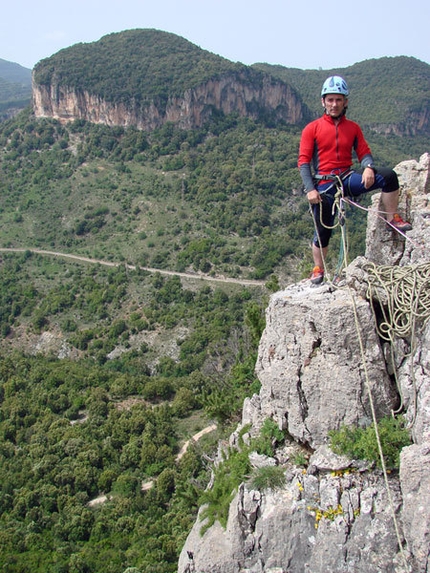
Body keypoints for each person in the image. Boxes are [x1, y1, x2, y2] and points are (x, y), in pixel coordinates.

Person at [298, 75, 412, 285]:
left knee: (388, 176)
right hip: (324, 185)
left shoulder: (353, 128)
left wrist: (368, 167)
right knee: (323, 230)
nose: (334, 104)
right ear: (323, 101)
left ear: (345, 102)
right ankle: (318, 269)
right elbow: (304, 162)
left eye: (338, 100)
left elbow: (364, 152)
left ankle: (390, 218)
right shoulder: (312, 129)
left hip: (347, 178)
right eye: (330, 100)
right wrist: (309, 189)